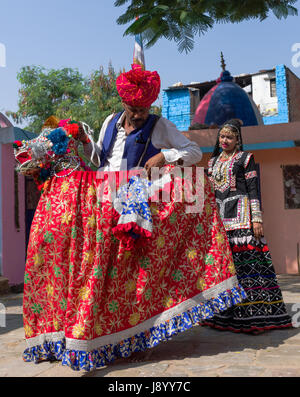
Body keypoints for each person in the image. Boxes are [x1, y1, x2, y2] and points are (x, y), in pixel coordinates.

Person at [18, 66, 247, 372]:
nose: (138, 115)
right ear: (123, 104)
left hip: (133, 201)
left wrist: (164, 157)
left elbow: (193, 152)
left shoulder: (158, 125)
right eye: (133, 109)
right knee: (99, 270)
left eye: (142, 109)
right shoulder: (110, 121)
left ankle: (130, 333)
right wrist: (85, 142)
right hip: (100, 200)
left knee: (126, 272)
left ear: (150, 106)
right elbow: (100, 158)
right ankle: (90, 332)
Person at [203, 118, 292, 334]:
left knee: (248, 266)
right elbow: (209, 192)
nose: (225, 140)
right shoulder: (212, 162)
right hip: (220, 219)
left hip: (243, 218)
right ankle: (223, 315)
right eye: (222, 136)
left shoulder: (245, 159)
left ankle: (255, 318)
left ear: (237, 139)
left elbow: (253, 189)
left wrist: (257, 218)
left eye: (230, 137)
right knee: (224, 267)